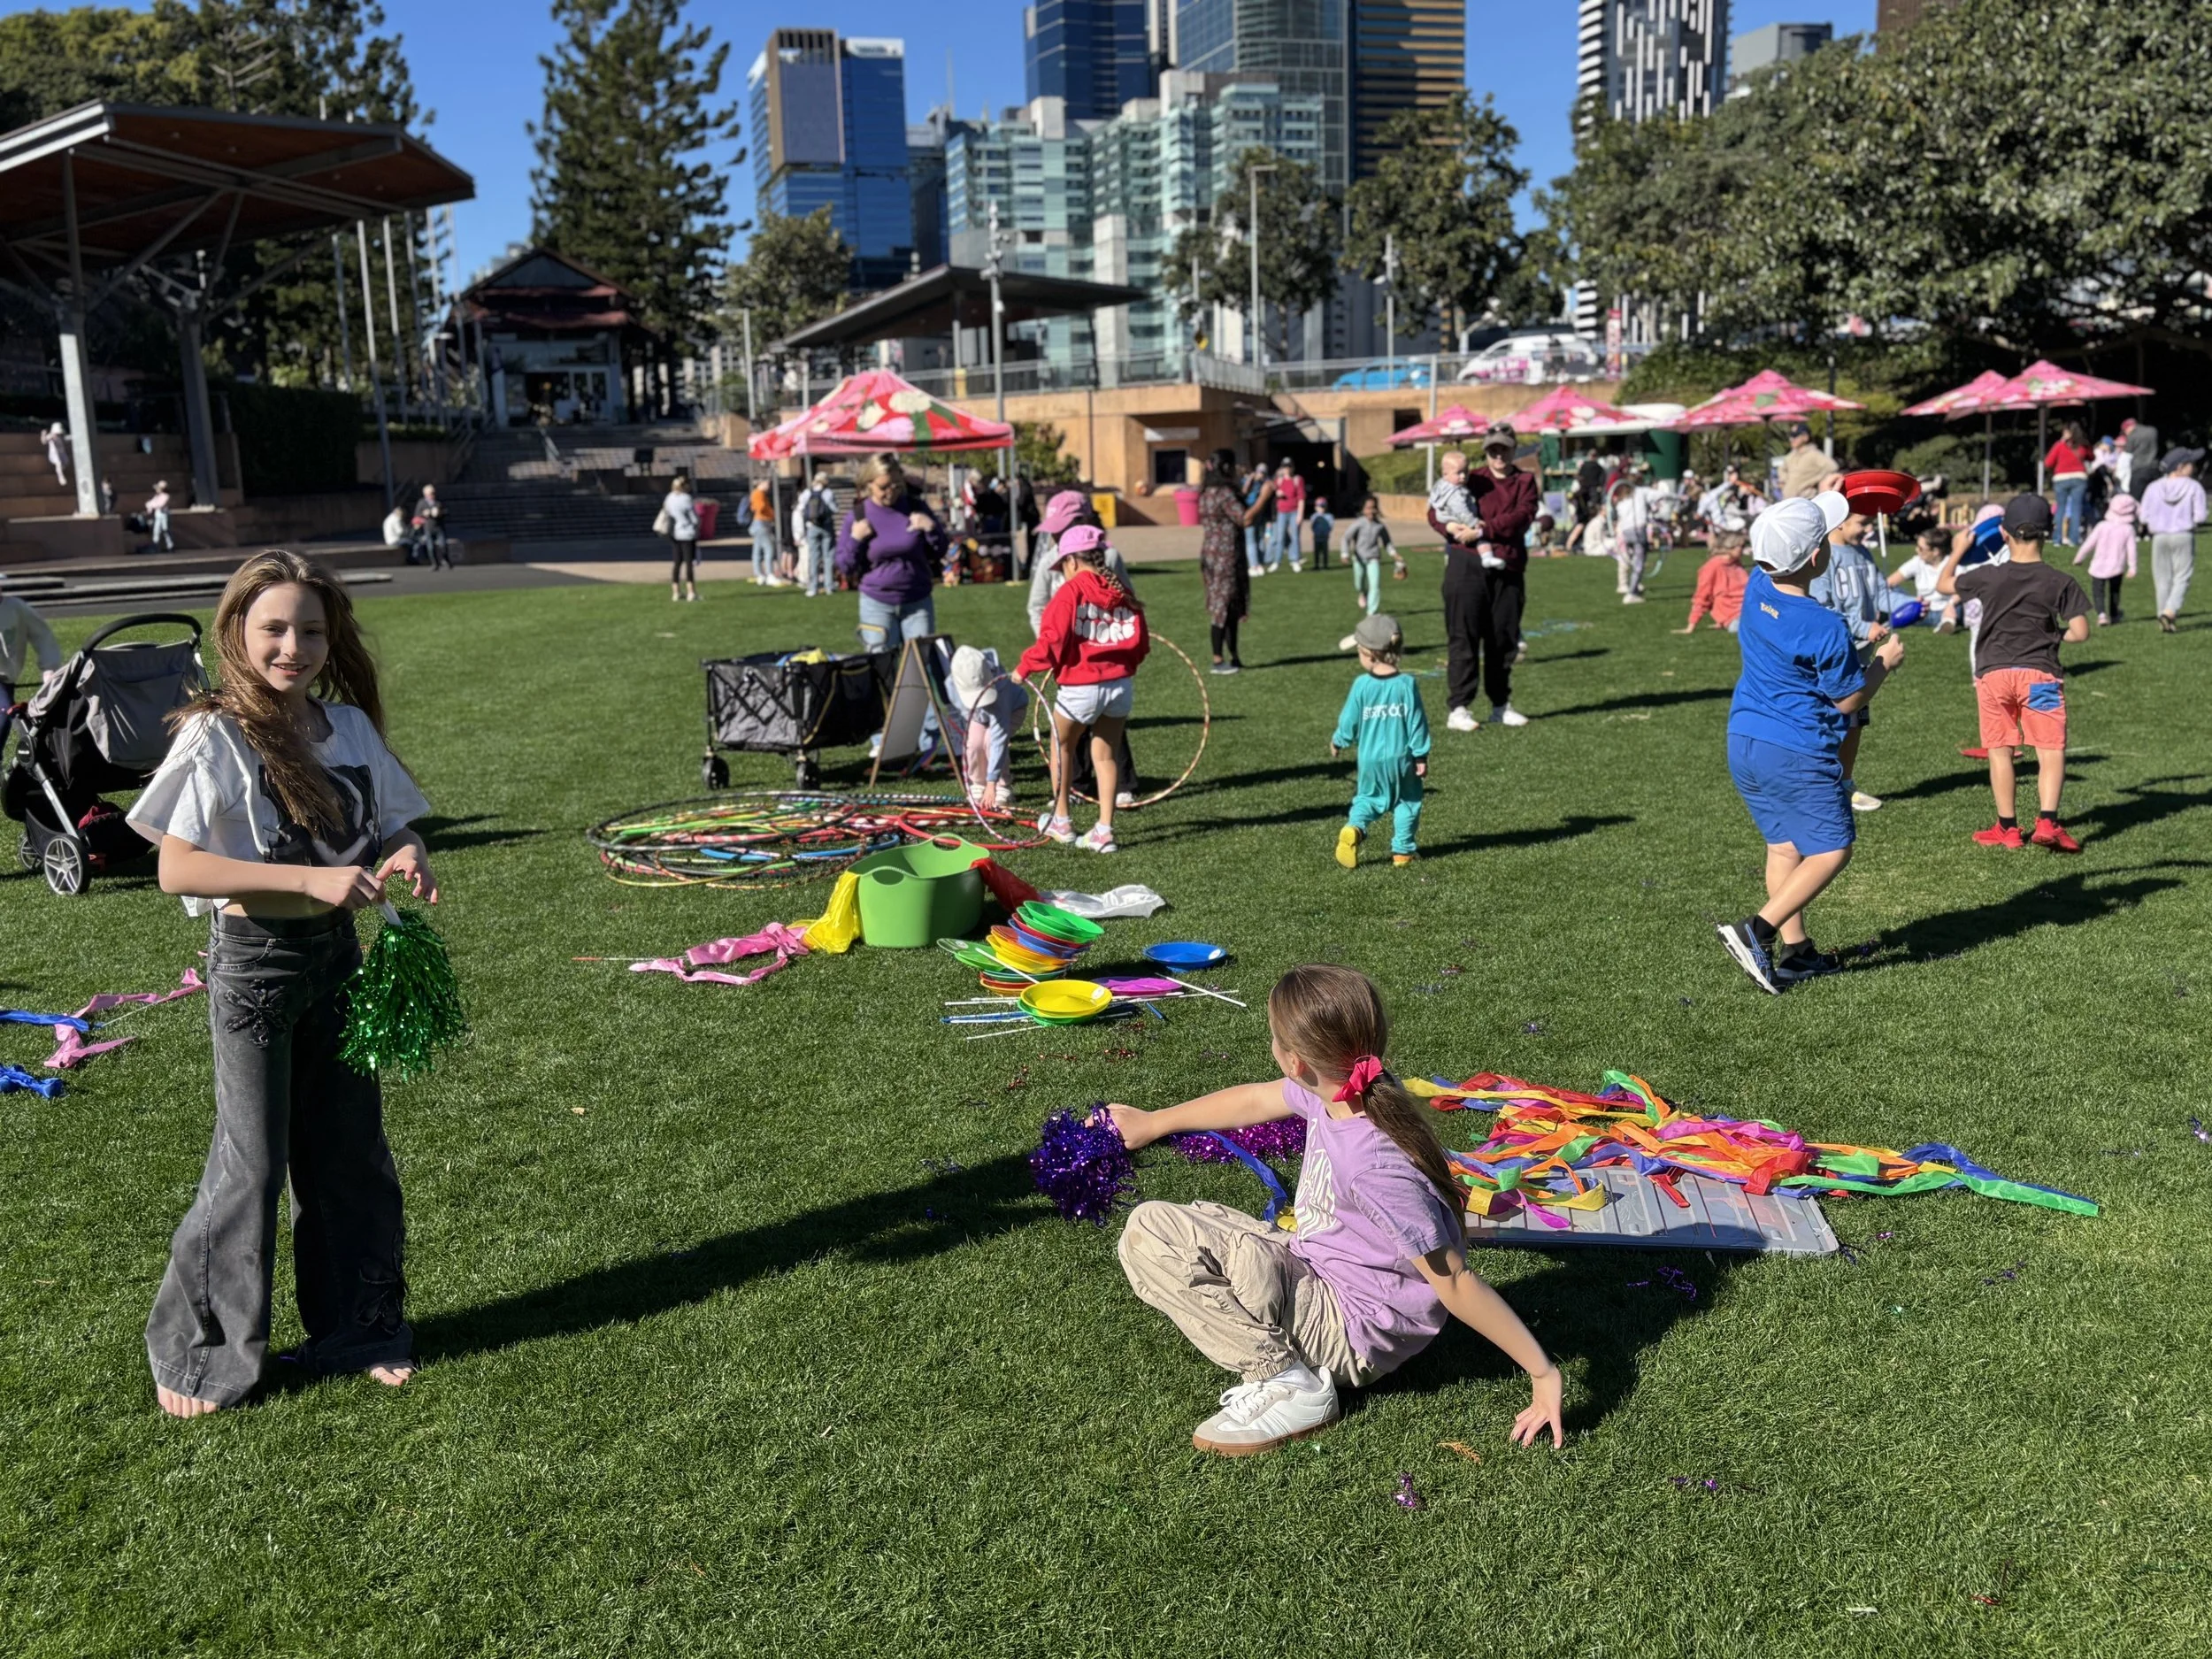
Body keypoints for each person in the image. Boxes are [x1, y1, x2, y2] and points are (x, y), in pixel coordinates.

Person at [125, 549, 438, 1417]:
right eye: (273, 628)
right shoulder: (216, 733)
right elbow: (177, 869)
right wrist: (309, 883)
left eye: (308, 628)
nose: (291, 646)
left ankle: (362, 1331)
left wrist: (407, 852)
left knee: (349, 1157)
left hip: (339, 962)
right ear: (237, 633)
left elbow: (393, 824)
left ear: (331, 635)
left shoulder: (347, 730)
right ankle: (198, 1357)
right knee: (250, 1168)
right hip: (255, 969)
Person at [1105, 964, 1563, 1456]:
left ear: (1295, 1060)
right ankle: (1286, 1356)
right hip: (1318, 1268)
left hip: (1350, 1332)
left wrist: (1542, 1371)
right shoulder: (1341, 1094)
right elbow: (1257, 1099)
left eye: (1275, 1039)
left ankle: (1288, 1382)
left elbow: (1453, 1280)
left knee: (1147, 1234)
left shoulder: (1370, 1164)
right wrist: (1156, 1122)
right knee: (1168, 1226)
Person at [1717, 492, 1906, 994]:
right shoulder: (1825, 624)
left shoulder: (1757, 585)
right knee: (1833, 848)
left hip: (1746, 741)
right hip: (1795, 750)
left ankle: (1797, 953)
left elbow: (1803, 658)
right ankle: (1755, 931)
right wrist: (1884, 664)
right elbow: (1847, 701)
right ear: (1819, 557)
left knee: (1785, 847)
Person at [1937, 493, 2091, 850]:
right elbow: (2081, 632)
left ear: (2004, 534)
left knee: (2000, 748)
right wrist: (2054, 634)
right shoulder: (2061, 581)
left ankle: (2007, 828)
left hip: (1993, 676)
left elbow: (1944, 585)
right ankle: (2048, 823)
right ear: (2048, 534)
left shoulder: (1989, 576)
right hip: (2040, 676)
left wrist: (1959, 549)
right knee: (2050, 748)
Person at [1017, 524, 1148, 853]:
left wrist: (1023, 669)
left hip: (1080, 687)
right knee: (1105, 754)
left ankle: (1061, 821)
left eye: (1062, 565)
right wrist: (1121, 668)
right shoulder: (1121, 592)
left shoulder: (1069, 592)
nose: (1062, 571)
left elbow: (1052, 641)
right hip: (1120, 688)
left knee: (1060, 746)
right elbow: (1141, 644)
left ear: (1072, 561)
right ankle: (1104, 831)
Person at [1432, 429, 1540, 730]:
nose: (1498, 456)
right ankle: (1459, 707)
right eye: (1492, 450)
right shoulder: (1471, 477)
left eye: (1504, 450)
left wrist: (1483, 531)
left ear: (1514, 450)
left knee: (1502, 639)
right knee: (1463, 635)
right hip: (1466, 566)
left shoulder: (1525, 482)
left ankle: (1500, 704)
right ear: (1485, 452)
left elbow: (1522, 516)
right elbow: (1435, 508)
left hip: (1508, 567)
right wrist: (1451, 528)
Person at [1807, 501, 1893, 812]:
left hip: (1863, 653)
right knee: (1830, 721)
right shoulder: (1825, 559)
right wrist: (1861, 627)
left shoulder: (1864, 553)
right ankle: (1820, 786)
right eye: (1862, 523)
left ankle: (1846, 783)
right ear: (1840, 523)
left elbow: (1883, 593)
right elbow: (1823, 607)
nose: (1868, 529)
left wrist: (1914, 605)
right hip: (1836, 654)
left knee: (1856, 721)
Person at [1330, 613, 1429, 868]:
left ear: (1370, 654)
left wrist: (1339, 740)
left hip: (1370, 759)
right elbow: (1416, 722)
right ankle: (1403, 853)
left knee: (1366, 799)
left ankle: (1355, 829)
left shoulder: (1362, 685)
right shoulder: (1406, 684)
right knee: (1408, 800)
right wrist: (1420, 754)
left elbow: (1349, 719)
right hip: (1402, 758)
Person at [837, 454, 948, 650]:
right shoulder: (858, 516)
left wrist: (931, 529)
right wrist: (856, 539)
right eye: (884, 487)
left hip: (917, 601)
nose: (891, 492)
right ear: (869, 484)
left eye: (897, 485)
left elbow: (941, 550)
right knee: (882, 665)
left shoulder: (915, 507)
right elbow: (844, 565)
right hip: (876, 603)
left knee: (920, 665)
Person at [947, 644, 1029, 811]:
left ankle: (1002, 785)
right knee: (974, 743)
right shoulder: (950, 685)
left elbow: (999, 735)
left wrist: (992, 783)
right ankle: (977, 782)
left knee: (991, 740)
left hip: (1011, 710)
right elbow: (964, 716)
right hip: (979, 717)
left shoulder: (1001, 685)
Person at [1199, 450, 1251, 675]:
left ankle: (1233, 656)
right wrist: (1265, 496)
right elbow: (1244, 518)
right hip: (1226, 557)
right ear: (1227, 467)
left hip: (1210, 555)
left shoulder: (1208, 493)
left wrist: (1246, 487)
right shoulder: (1224, 494)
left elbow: (1233, 507)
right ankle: (1218, 660)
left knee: (1229, 606)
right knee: (1223, 607)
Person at [2140, 448, 2204, 632]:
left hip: (2159, 536)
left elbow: (2144, 516)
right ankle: (2169, 612)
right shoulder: (2193, 486)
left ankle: (2163, 616)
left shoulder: (2153, 487)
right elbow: (2200, 516)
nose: (2194, 467)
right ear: (2181, 467)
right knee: (2182, 577)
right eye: (2191, 463)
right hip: (2183, 534)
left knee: (2162, 579)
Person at [0, 578, 63, 753]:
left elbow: (42, 636)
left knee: (8, 716)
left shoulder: (16, 608)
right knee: (7, 714)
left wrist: (49, 667)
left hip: (5, 679)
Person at [1337, 495, 1395, 649]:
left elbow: (1387, 542)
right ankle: (1362, 592)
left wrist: (1394, 554)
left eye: (1374, 507)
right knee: (1359, 582)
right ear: (1363, 510)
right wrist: (1344, 554)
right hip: (1359, 559)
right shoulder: (1358, 524)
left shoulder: (1379, 526)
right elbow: (1346, 538)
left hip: (1373, 558)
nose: (1371, 511)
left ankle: (1372, 612)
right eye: (1368, 508)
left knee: (1375, 585)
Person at [2072, 492, 2139, 626]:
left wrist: (2079, 558)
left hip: (2099, 565)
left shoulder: (2102, 526)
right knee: (2114, 591)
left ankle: (2101, 614)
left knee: (2098, 591)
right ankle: (2114, 614)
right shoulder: (2128, 529)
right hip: (2117, 566)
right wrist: (2132, 566)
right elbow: (2132, 550)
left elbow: (2089, 543)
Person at [1675, 528, 1752, 634]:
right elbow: (1702, 596)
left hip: (1750, 611)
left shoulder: (1736, 563)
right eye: (1741, 546)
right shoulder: (1713, 566)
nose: (1744, 550)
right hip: (1735, 616)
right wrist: (1691, 625)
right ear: (1730, 547)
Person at [1888, 526, 1960, 633]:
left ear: (1935, 551)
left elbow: (1962, 588)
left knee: (1962, 604)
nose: (1917, 550)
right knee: (1893, 590)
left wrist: (1951, 605)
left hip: (1946, 609)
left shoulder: (1951, 563)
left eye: (1921, 548)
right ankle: (1946, 622)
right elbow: (1889, 582)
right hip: (1921, 610)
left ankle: (1947, 621)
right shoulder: (1917, 562)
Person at [2045, 421, 2091, 545]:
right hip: (2079, 478)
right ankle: (2074, 540)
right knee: (2076, 509)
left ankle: (2057, 539)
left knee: (2061, 508)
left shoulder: (2059, 445)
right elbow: (2091, 456)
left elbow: (2048, 462)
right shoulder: (2082, 445)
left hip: (2061, 479)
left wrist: (2060, 443)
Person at [795, 469, 837, 598]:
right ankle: (829, 586)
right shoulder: (828, 493)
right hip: (826, 527)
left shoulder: (807, 493)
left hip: (812, 527)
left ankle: (813, 587)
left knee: (813, 557)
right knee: (828, 557)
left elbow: (800, 508)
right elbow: (835, 509)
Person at [661, 474, 700, 603]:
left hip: (674, 533)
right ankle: (691, 592)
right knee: (689, 563)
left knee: (677, 562)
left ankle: (676, 592)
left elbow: (667, 512)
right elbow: (693, 518)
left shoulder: (669, 498)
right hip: (687, 533)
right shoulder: (686, 499)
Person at [1775, 422, 1832, 501]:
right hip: (1788, 500)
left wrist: (1815, 481)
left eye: (1795, 436)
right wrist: (1784, 481)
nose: (1791, 439)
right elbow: (1782, 469)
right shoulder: (1791, 456)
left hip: (1806, 499)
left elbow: (1832, 468)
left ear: (1805, 437)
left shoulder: (1814, 454)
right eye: (1790, 435)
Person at [1269, 460, 1306, 573]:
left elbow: (1301, 498)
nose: (1287, 469)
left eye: (1289, 467)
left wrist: (1300, 514)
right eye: (1285, 467)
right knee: (1280, 537)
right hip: (1282, 511)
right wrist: (1277, 493)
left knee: (1295, 536)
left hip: (1294, 511)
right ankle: (1277, 561)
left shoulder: (1297, 480)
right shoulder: (1278, 481)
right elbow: (1270, 489)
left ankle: (1294, 560)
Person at [748, 477, 780, 586]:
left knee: (757, 549)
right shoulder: (758, 493)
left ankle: (760, 574)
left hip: (760, 523)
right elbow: (759, 507)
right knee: (769, 548)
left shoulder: (757, 494)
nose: (769, 486)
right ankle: (769, 573)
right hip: (762, 523)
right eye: (767, 483)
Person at [1243, 463, 1272, 574]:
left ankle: (1258, 564)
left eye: (1263, 473)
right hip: (1249, 511)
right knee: (1251, 539)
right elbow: (1244, 492)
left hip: (1259, 513)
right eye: (1260, 472)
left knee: (1258, 538)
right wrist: (1250, 479)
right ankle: (1254, 564)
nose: (1261, 475)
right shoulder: (1250, 481)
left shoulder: (1266, 483)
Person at [2121, 416, 2160, 496]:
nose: (2125, 434)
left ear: (2128, 428)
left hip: (2139, 470)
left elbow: (2127, 454)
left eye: (2125, 431)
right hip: (2154, 468)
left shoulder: (2132, 436)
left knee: (2136, 498)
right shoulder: (2153, 431)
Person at [412, 484, 449, 570]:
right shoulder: (421, 503)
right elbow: (417, 515)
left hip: (438, 526)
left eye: (433, 493)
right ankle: (434, 564)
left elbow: (446, 511)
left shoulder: (438, 502)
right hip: (428, 527)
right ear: (425, 494)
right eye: (430, 494)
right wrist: (424, 514)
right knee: (430, 547)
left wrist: (440, 513)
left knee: (442, 545)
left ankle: (445, 560)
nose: (432, 495)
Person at [1309, 495, 1335, 572]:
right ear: (1316, 508)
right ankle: (1316, 565)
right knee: (1317, 551)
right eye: (1320, 507)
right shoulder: (1314, 516)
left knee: (1325, 551)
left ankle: (1325, 565)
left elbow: (1330, 525)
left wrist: (1326, 532)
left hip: (1325, 536)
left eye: (1323, 507)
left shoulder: (1329, 516)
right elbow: (1312, 526)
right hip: (1317, 537)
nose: (1321, 509)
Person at [147, 480, 174, 552]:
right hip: (158, 515)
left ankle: (170, 546)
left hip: (164, 515)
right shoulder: (156, 496)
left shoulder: (166, 496)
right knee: (156, 530)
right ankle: (156, 545)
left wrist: (152, 505)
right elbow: (150, 503)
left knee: (166, 530)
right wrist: (150, 506)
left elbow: (161, 505)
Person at [41, 421, 68, 487]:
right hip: (54, 454)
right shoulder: (51, 436)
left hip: (62, 453)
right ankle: (60, 477)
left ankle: (60, 470)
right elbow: (44, 441)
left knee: (64, 463)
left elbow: (66, 440)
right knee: (59, 463)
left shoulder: (61, 436)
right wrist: (43, 435)